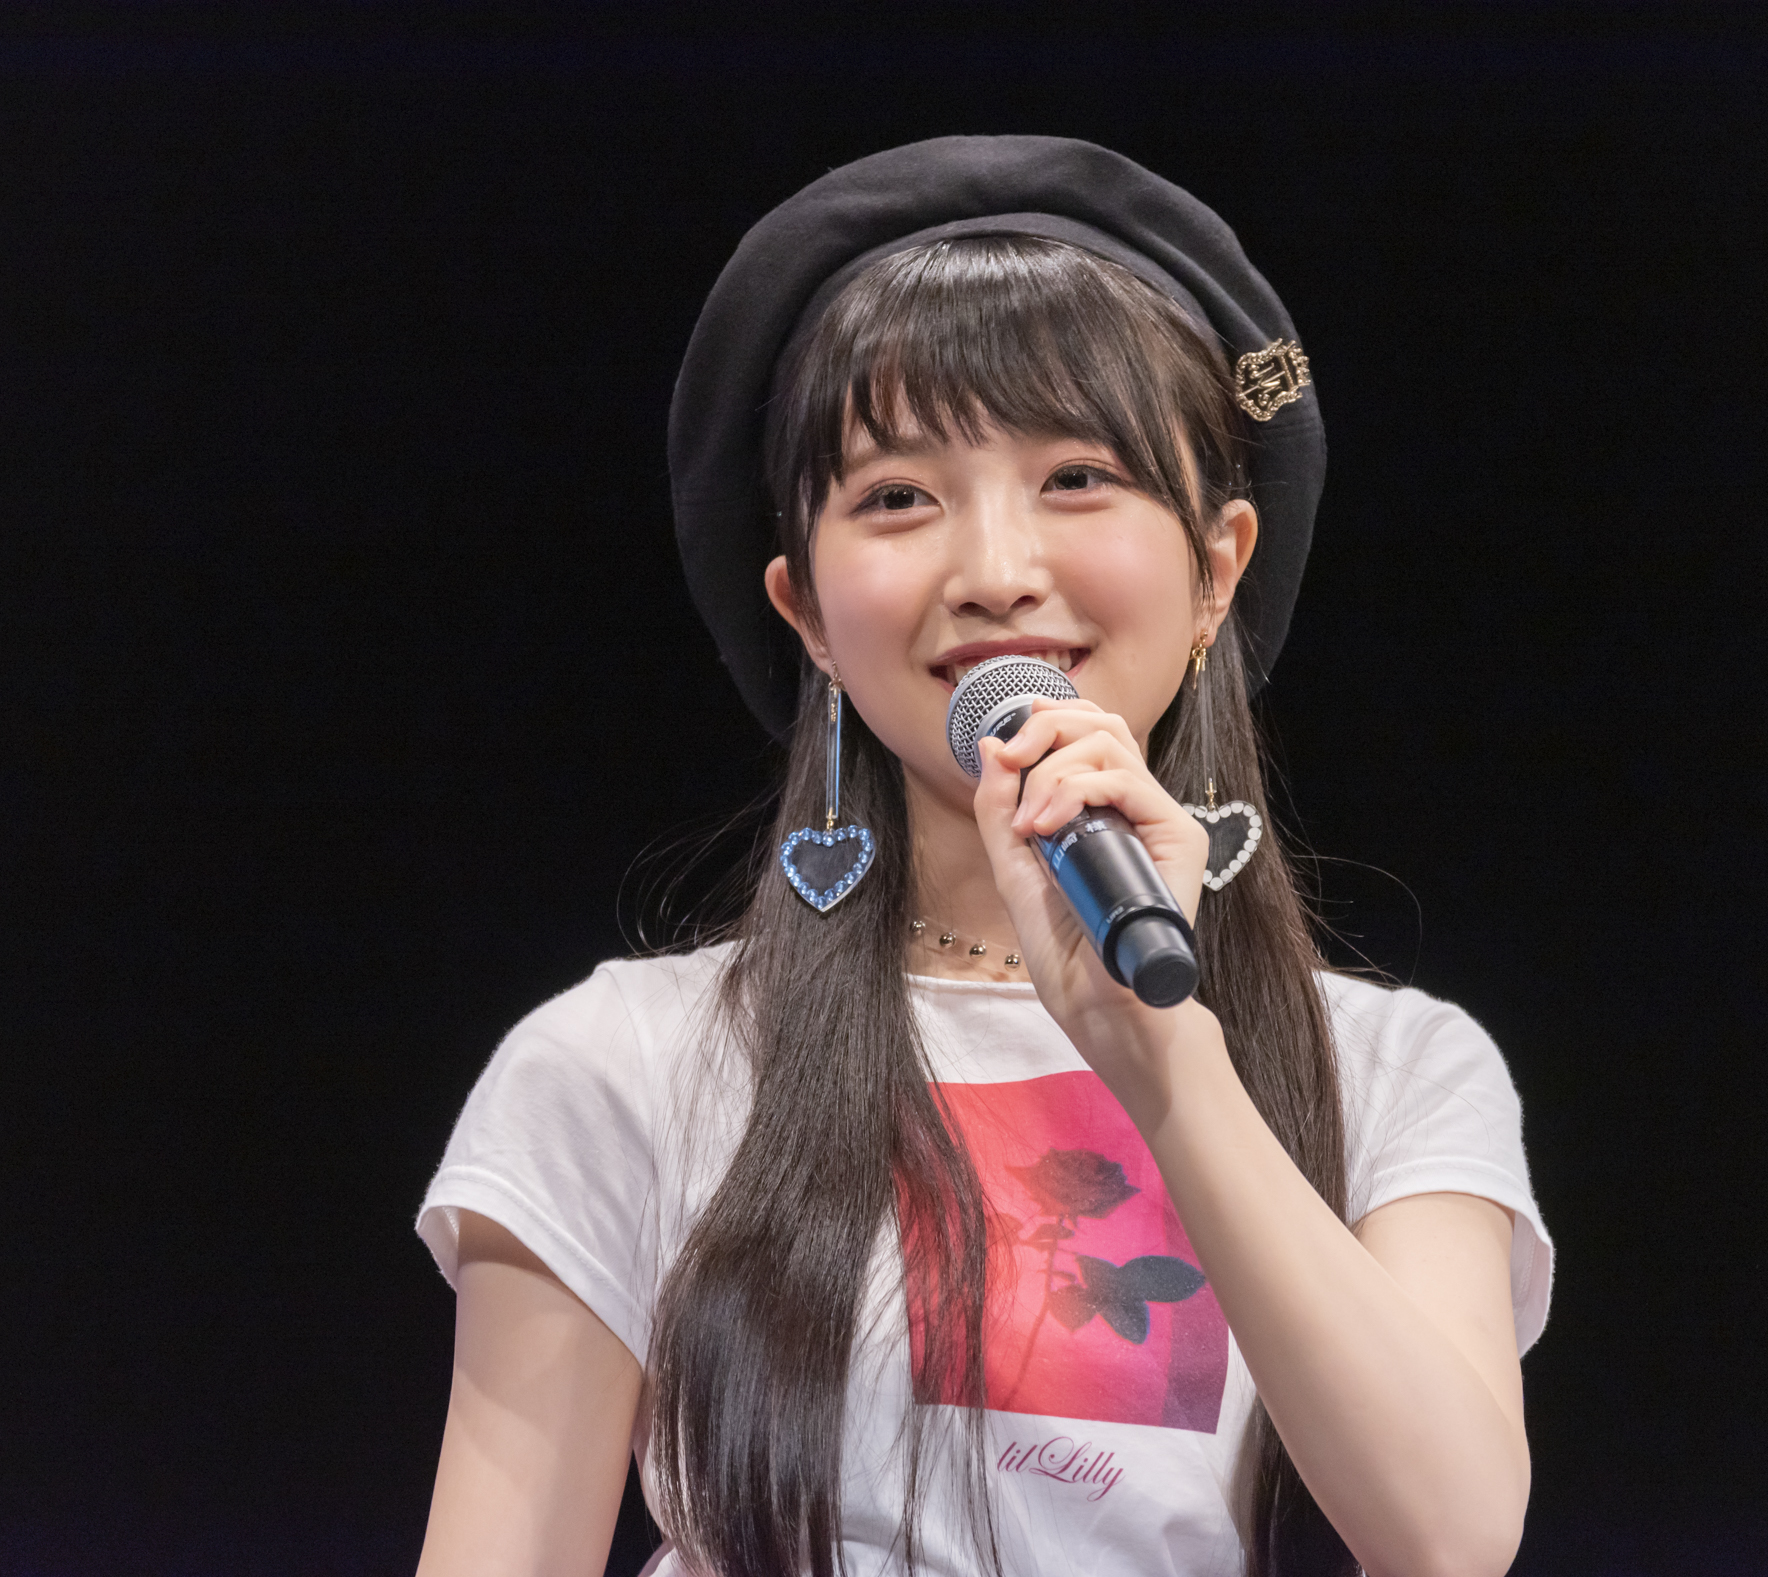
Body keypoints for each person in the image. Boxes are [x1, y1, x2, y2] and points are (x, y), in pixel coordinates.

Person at [412, 136, 1551, 1577]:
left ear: (1217, 569)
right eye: (897, 496)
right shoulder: (625, 1061)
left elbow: (1450, 1535)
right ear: (807, 613)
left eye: (1077, 476)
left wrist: (1162, 1053)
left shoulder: (1389, 1069)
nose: (997, 572)